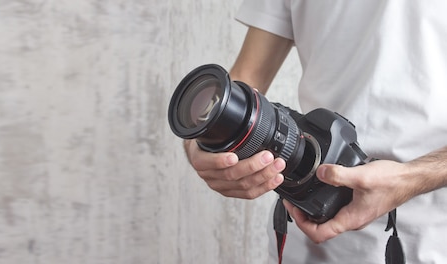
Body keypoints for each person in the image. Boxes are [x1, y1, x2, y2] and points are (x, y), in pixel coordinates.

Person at [183, 1, 447, 263]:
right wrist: (204, 147)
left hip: (427, 243)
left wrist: (410, 179)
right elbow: (243, 83)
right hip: (304, 232)